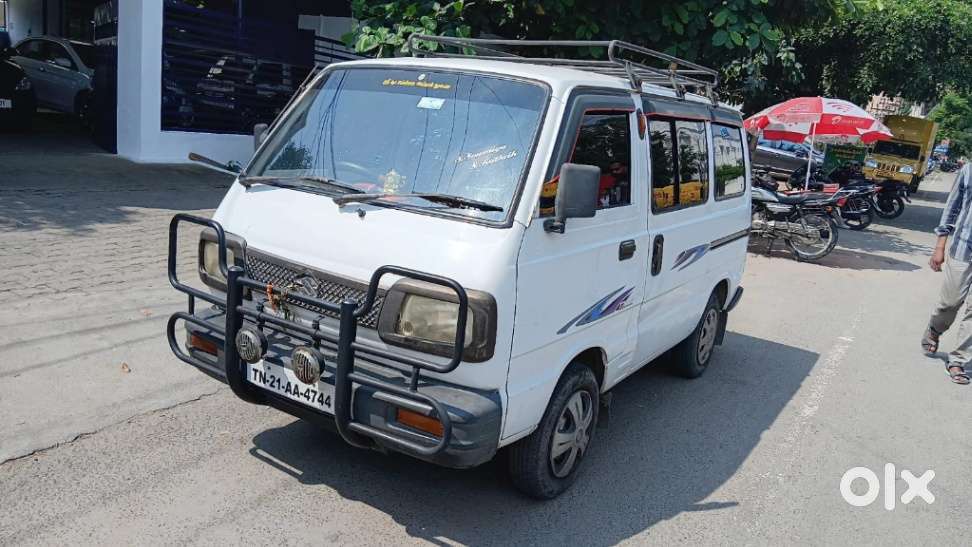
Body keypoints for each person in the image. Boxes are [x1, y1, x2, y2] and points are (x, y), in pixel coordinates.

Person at [923, 163, 972, 384]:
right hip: (964, 247)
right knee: (950, 303)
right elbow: (953, 207)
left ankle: (958, 360)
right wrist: (940, 246)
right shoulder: (969, 170)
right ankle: (935, 328)